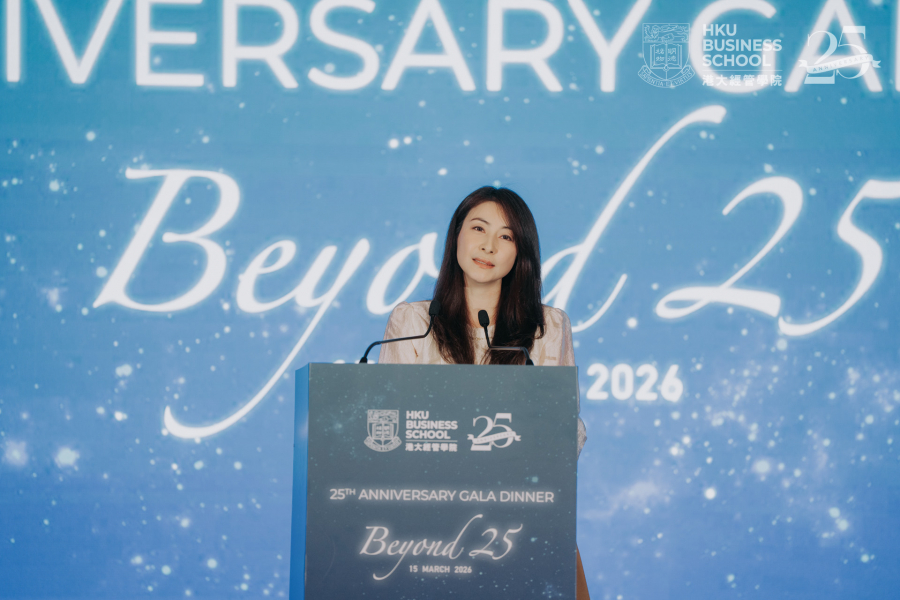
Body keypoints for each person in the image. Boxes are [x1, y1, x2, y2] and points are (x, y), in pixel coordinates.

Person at [378, 186, 590, 600]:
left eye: (506, 236)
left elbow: (565, 431)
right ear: (456, 234)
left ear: (520, 254)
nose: (489, 245)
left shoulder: (549, 327)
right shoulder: (413, 321)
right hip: (429, 524)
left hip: (521, 514)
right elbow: (393, 423)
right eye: (478, 228)